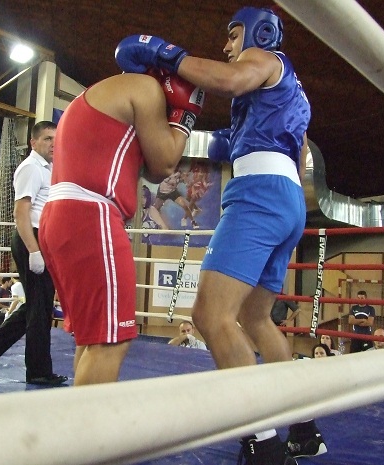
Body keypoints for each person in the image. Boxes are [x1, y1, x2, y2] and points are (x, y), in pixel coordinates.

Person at [115, 7, 321, 464]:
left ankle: (263, 444)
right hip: (287, 198)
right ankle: (304, 428)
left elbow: (228, 80)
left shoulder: (265, 59)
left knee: (210, 316)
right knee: (256, 317)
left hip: (259, 195)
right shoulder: (287, 91)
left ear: (258, 33)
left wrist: (168, 55)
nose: (227, 46)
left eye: (233, 35)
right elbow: (298, 150)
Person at [37, 70, 204, 386]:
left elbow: (152, 171)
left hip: (63, 214)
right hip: (90, 215)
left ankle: (79, 415)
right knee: (111, 341)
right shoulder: (145, 87)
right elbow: (166, 164)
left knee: (93, 338)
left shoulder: (101, 94)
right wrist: (185, 117)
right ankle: (91, 420)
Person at [0, 121, 67, 386]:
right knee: (39, 309)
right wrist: (34, 250)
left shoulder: (49, 169)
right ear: (33, 142)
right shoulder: (31, 168)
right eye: (47, 139)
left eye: (56, 139)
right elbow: (21, 213)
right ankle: (37, 371)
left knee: (38, 306)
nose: (53, 144)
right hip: (31, 239)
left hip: (42, 239)